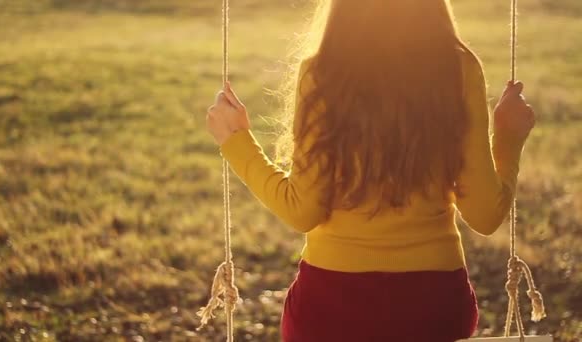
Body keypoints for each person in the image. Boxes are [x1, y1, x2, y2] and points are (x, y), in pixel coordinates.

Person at [204, 0, 535, 341]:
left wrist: (236, 141)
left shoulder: (321, 72)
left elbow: (302, 211)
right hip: (433, 304)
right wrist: (508, 138)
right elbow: (484, 215)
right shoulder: (458, 68)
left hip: (332, 304)